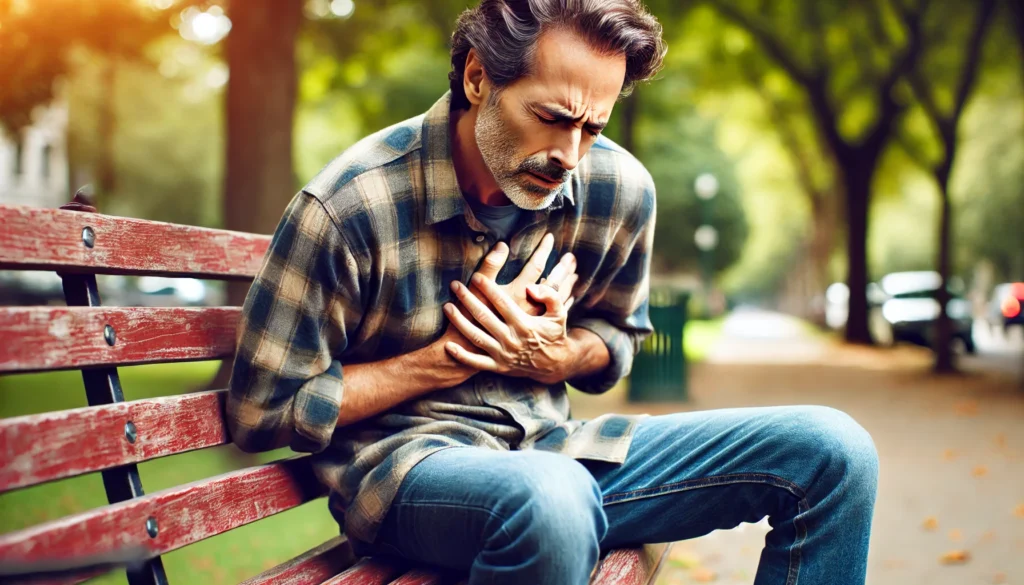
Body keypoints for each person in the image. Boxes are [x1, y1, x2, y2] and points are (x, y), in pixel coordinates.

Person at [227, 1, 879, 583]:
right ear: (478, 77)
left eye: (592, 128)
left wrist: (553, 355)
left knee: (832, 452)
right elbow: (263, 408)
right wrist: (445, 358)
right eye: (552, 117)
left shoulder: (619, 190)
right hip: (408, 471)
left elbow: (618, 338)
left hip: (558, 448)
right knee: (552, 498)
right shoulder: (349, 205)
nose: (571, 153)